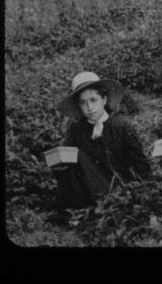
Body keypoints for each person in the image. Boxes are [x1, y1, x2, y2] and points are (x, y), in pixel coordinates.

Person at [49, 72, 150, 219]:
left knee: (76, 155)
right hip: (84, 189)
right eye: (83, 102)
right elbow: (66, 165)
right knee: (68, 157)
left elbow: (141, 164)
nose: (89, 107)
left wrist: (145, 193)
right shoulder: (76, 129)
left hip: (116, 188)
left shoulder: (122, 127)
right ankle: (76, 210)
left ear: (104, 99)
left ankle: (98, 209)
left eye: (93, 100)